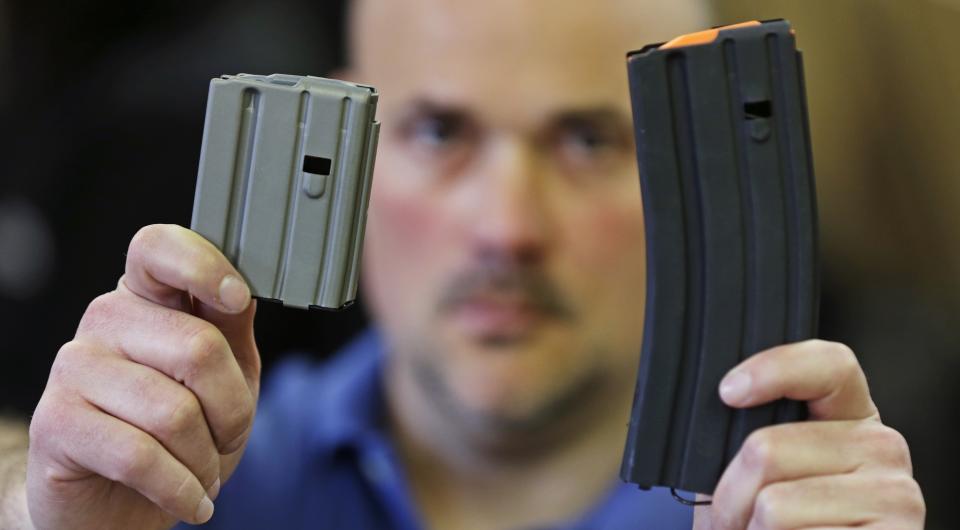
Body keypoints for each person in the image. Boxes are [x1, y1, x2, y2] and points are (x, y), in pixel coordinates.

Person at [0, 0, 925, 528]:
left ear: (686, 170)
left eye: (587, 138)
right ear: (351, 159)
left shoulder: (797, 503)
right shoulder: (190, 479)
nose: (506, 227)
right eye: (440, 131)